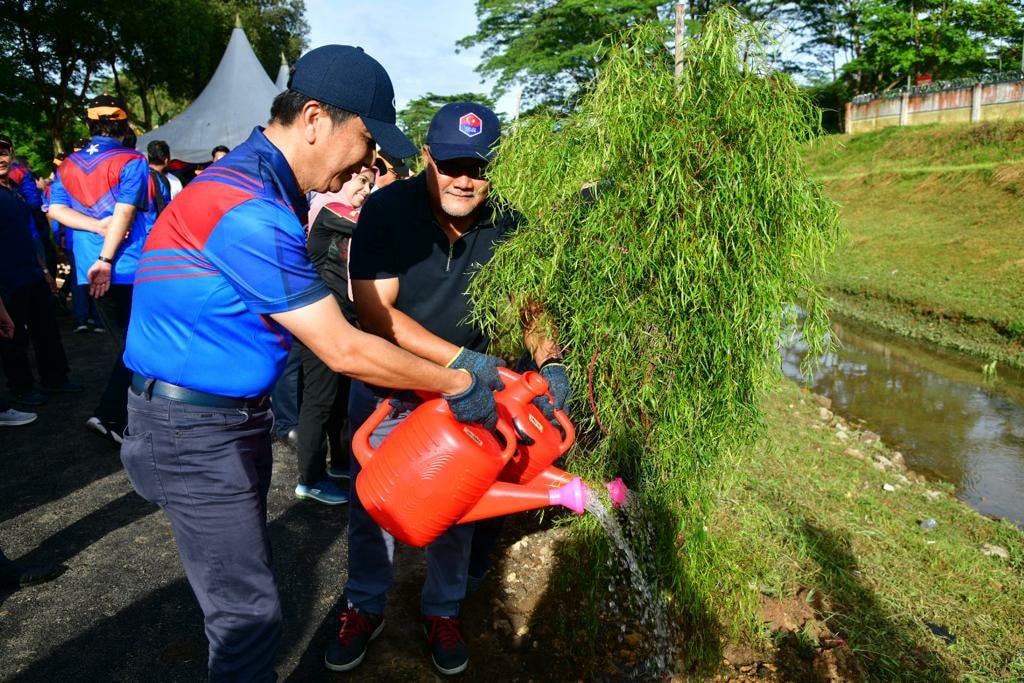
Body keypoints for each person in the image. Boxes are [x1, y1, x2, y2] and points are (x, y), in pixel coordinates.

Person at [119, 45, 499, 682]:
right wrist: (460, 380)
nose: (370, 161)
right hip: (193, 432)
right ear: (316, 119)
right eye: (365, 139)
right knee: (248, 619)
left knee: (247, 598)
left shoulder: (261, 186)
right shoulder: (247, 206)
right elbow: (344, 344)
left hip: (221, 420)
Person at [330, 102, 571, 676]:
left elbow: (528, 304)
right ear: (428, 157)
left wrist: (552, 361)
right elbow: (375, 311)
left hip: (473, 393)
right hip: (395, 386)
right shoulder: (387, 209)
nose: (465, 178)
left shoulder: (510, 221)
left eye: (479, 166)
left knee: (458, 506)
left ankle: (443, 609)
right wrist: (461, 364)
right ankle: (364, 605)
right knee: (373, 501)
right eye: (452, 162)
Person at [47, 95, 150, 445]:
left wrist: (93, 228)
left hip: (88, 269)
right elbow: (123, 212)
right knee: (137, 347)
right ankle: (111, 417)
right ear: (124, 126)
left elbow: (56, 211)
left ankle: (118, 416)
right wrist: (106, 258)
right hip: (126, 267)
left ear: (90, 125)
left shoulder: (68, 164)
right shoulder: (131, 160)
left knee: (133, 345)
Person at [293, 165, 376, 505]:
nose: (366, 189)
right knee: (319, 401)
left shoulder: (346, 210)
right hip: (320, 322)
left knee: (339, 399)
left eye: (370, 184)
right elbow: (368, 228)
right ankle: (309, 479)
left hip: (340, 320)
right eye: (361, 181)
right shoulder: (329, 207)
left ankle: (338, 463)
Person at [0, 133, 79, 407]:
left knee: (46, 329)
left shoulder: (15, 190)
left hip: (31, 273)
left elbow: (27, 233)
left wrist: (44, 269)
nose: (1, 158)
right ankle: (21, 388)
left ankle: (55, 379)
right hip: (7, 281)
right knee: (13, 337)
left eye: (5, 152)